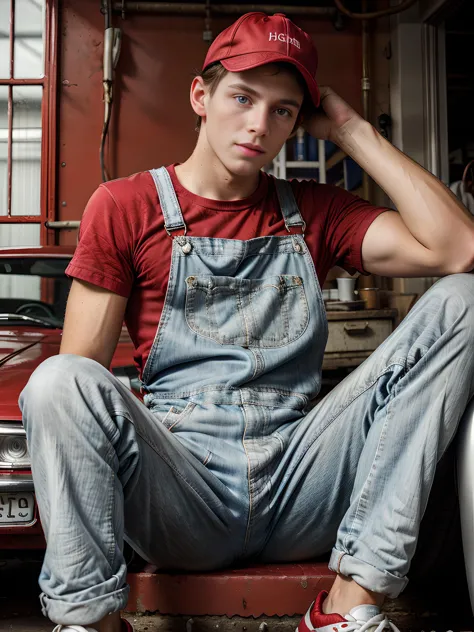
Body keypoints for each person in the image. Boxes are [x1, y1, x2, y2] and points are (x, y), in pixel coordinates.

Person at [20, 11, 474, 632]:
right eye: (243, 97)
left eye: (284, 110)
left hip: (303, 483)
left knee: (463, 301)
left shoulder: (315, 211)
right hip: (184, 497)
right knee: (57, 380)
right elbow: (81, 381)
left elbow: (459, 250)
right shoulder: (125, 206)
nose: (260, 125)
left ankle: (349, 604)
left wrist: (352, 131)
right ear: (200, 96)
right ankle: (91, 621)